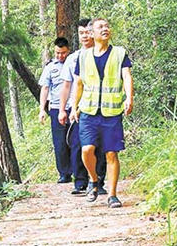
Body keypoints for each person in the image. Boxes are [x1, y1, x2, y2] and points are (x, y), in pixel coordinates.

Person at [69, 18, 134, 208]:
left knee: (111, 154)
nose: (105, 29)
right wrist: (74, 107)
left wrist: (129, 98)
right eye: (100, 27)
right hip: (89, 111)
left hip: (111, 112)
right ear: (91, 33)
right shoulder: (82, 57)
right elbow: (78, 84)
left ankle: (112, 195)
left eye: (107, 26)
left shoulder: (119, 53)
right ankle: (93, 179)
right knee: (87, 150)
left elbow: (127, 76)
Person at [59, 19, 106, 195]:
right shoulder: (73, 59)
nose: (85, 36)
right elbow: (67, 85)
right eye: (81, 33)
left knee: (99, 146)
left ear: (93, 33)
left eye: (87, 32)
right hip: (78, 108)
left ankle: (98, 181)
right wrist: (64, 109)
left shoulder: (104, 54)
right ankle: (80, 182)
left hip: (100, 107)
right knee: (78, 144)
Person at [38, 37, 73, 183]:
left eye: (63, 53)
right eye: (58, 53)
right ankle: (64, 173)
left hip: (73, 107)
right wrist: (42, 109)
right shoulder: (50, 67)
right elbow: (45, 88)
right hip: (56, 107)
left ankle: (79, 171)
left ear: (68, 50)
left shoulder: (74, 63)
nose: (60, 56)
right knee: (59, 142)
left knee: (75, 140)